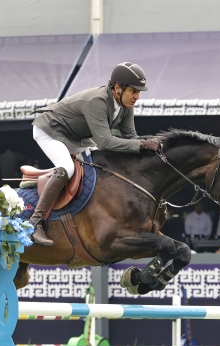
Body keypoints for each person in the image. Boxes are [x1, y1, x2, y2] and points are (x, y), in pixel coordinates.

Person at [28, 62, 161, 245]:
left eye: (139, 92)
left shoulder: (125, 106)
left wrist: (149, 145)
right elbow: (105, 141)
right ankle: (35, 222)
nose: (137, 97)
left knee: (100, 162)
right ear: (117, 88)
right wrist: (142, 144)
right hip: (51, 130)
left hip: (75, 137)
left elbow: (131, 138)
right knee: (67, 167)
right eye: (133, 91)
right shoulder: (97, 101)